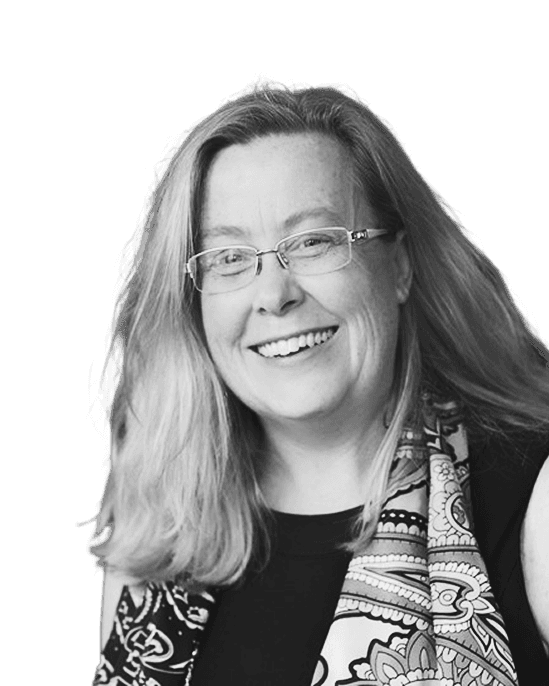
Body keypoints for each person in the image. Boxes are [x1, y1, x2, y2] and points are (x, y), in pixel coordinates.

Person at [89, 79, 549, 686]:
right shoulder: (160, 529)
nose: (273, 295)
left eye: (313, 242)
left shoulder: (534, 496)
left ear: (399, 265)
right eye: (229, 258)